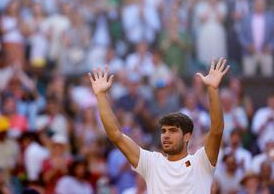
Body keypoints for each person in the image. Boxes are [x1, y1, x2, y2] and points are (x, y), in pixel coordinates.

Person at [87, 58, 230, 193]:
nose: (166, 135)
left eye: (173, 131)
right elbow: (116, 135)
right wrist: (100, 96)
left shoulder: (201, 161)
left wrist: (212, 89)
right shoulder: (152, 163)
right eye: (163, 131)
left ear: (187, 136)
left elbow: (216, 130)